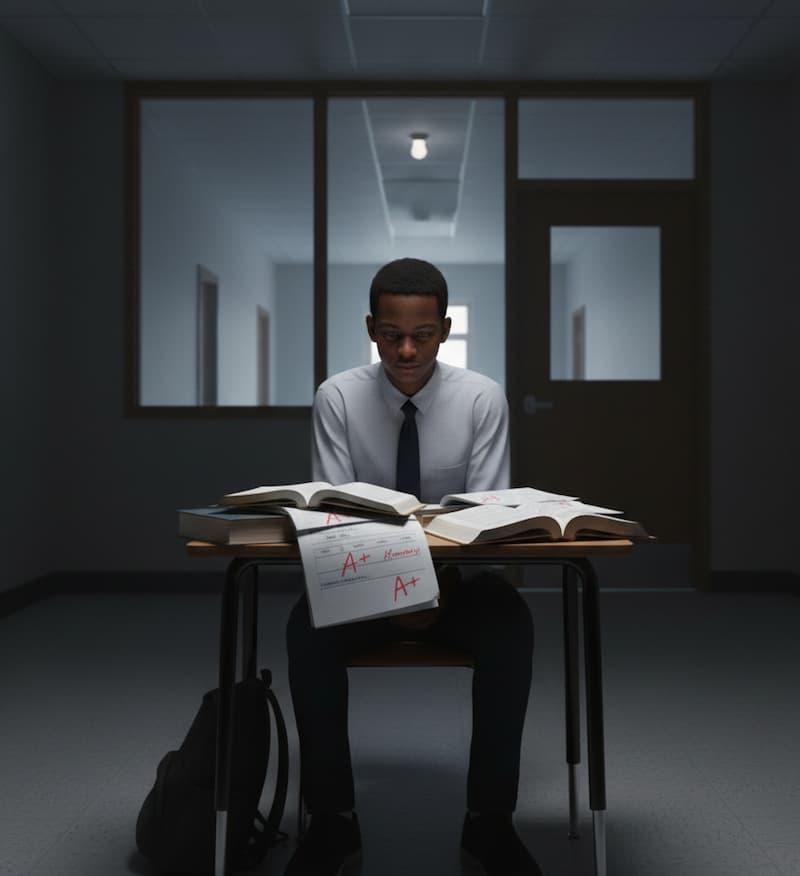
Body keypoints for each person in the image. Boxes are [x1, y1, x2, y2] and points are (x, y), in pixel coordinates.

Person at [285, 258, 540, 876]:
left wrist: (438, 591)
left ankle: (489, 822)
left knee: (512, 626)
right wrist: (395, 589)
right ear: (371, 327)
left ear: (444, 329)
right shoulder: (338, 396)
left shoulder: (481, 398)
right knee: (304, 628)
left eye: (422, 335)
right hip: (363, 580)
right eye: (392, 333)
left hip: (460, 582)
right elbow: (333, 518)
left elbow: (485, 523)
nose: (406, 349)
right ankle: (332, 820)